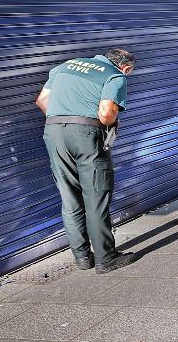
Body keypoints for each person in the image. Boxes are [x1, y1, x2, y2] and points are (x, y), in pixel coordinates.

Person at [35, 49, 138, 274]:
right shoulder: (114, 75)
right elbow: (105, 113)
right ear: (126, 68)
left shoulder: (65, 65)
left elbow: (42, 101)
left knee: (70, 198)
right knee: (96, 196)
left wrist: (65, 120)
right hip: (86, 134)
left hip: (53, 132)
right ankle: (105, 259)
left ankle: (82, 258)